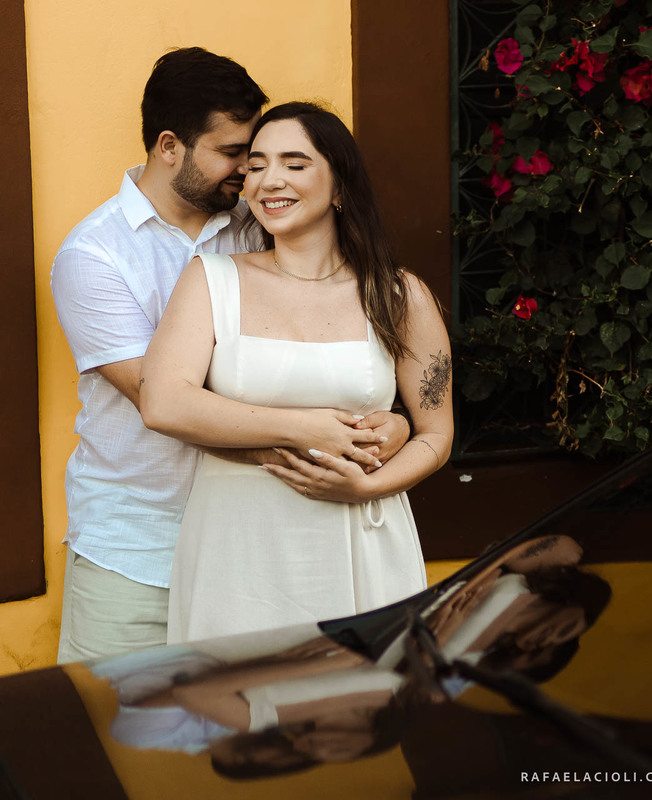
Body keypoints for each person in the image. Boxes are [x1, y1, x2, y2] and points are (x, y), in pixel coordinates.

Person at [51, 49, 406, 664]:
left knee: (251, 717)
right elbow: (170, 404)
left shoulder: (261, 221)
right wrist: (334, 439)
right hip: (140, 547)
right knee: (121, 716)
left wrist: (391, 424)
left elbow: (326, 340)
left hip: (254, 546)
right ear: (170, 146)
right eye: (235, 152)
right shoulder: (95, 257)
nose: (251, 172)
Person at [140, 101, 454, 643]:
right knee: (242, 690)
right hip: (239, 545)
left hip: (361, 537)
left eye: (295, 163)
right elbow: (163, 401)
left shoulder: (401, 295)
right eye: (256, 165)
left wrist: (366, 487)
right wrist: (305, 428)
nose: (269, 181)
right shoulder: (212, 279)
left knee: (361, 692)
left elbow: (437, 432)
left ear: (340, 186)